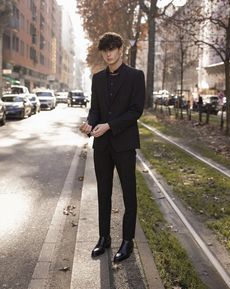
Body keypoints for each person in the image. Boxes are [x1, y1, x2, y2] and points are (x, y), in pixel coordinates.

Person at [80, 32, 145, 263]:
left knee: (129, 194)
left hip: (125, 144)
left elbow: (136, 111)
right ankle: (104, 237)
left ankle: (127, 241)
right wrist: (90, 123)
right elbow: (95, 109)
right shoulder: (97, 78)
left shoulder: (136, 76)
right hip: (102, 146)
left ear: (120, 50)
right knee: (103, 193)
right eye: (105, 50)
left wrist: (108, 126)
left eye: (112, 49)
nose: (108, 53)